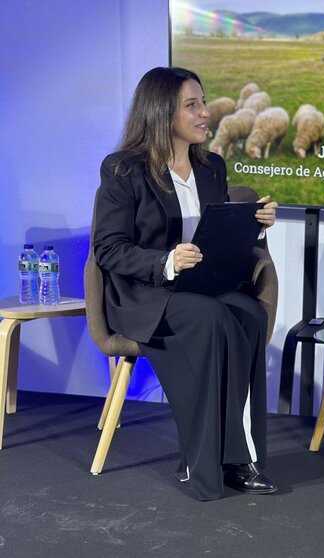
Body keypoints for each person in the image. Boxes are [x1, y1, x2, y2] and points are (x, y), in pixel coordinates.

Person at [93, 67, 279, 501]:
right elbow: (108, 249)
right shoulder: (122, 170)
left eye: (203, 102)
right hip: (144, 293)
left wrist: (257, 226)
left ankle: (240, 455)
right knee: (213, 318)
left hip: (200, 286)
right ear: (161, 113)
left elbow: (216, 234)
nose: (205, 113)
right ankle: (213, 460)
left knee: (249, 314)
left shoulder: (211, 165)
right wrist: (166, 261)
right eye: (192, 105)